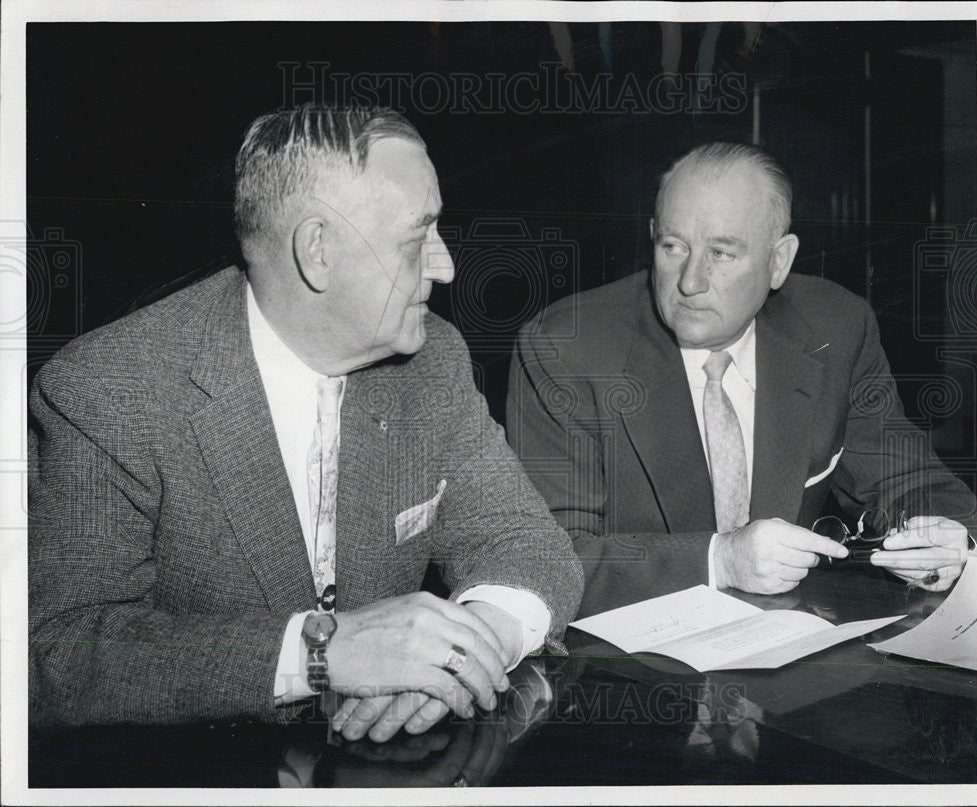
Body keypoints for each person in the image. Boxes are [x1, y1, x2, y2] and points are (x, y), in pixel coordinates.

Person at [28, 104, 583, 742]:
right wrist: (323, 652)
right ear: (317, 251)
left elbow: (528, 545)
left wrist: (456, 652)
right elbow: (53, 653)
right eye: (417, 236)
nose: (446, 265)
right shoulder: (110, 391)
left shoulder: (432, 360)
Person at [507, 142, 977, 616]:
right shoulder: (565, 349)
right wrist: (720, 560)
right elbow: (542, 561)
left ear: (779, 262)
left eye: (722, 253)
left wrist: (940, 535)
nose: (690, 281)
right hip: (621, 671)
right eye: (673, 247)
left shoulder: (835, 326)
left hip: (788, 655)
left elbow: (914, 480)